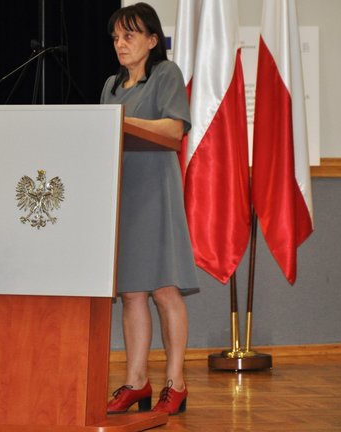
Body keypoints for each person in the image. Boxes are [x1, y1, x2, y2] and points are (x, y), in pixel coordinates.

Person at [100, 2, 199, 416]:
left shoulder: (165, 75)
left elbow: (174, 129)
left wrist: (122, 122)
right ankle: (136, 381)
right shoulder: (111, 85)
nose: (120, 44)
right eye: (116, 37)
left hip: (156, 192)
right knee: (131, 292)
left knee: (164, 289)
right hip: (122, 196)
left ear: (153, 39)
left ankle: (176, 383)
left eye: (130, 35)